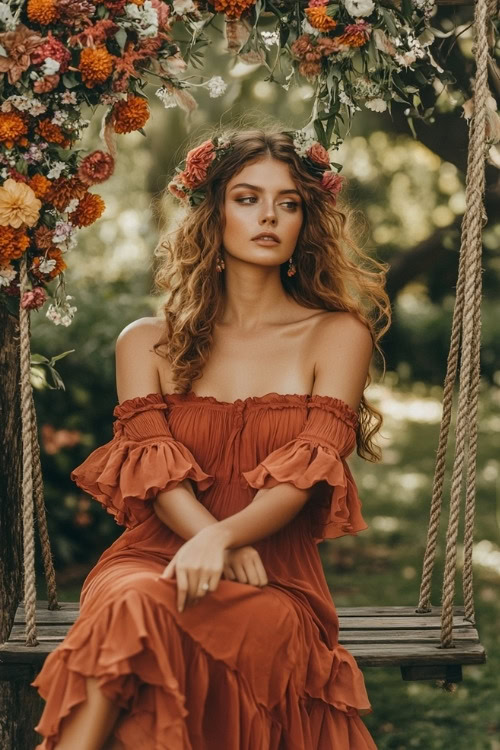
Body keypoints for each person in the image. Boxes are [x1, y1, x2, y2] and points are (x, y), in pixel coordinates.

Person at [32, 124, 391, 750]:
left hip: (270, 578)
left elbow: (304, 474)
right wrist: (211, 540)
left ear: (306, 220)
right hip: (152, 559)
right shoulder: (145, 341)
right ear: (213, 211)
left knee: (142, 617)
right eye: (247, 198)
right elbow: (157, 474)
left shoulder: (336, 334)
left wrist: (227, 537)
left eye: (289, 203)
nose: (269, 217)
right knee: (133, 602)